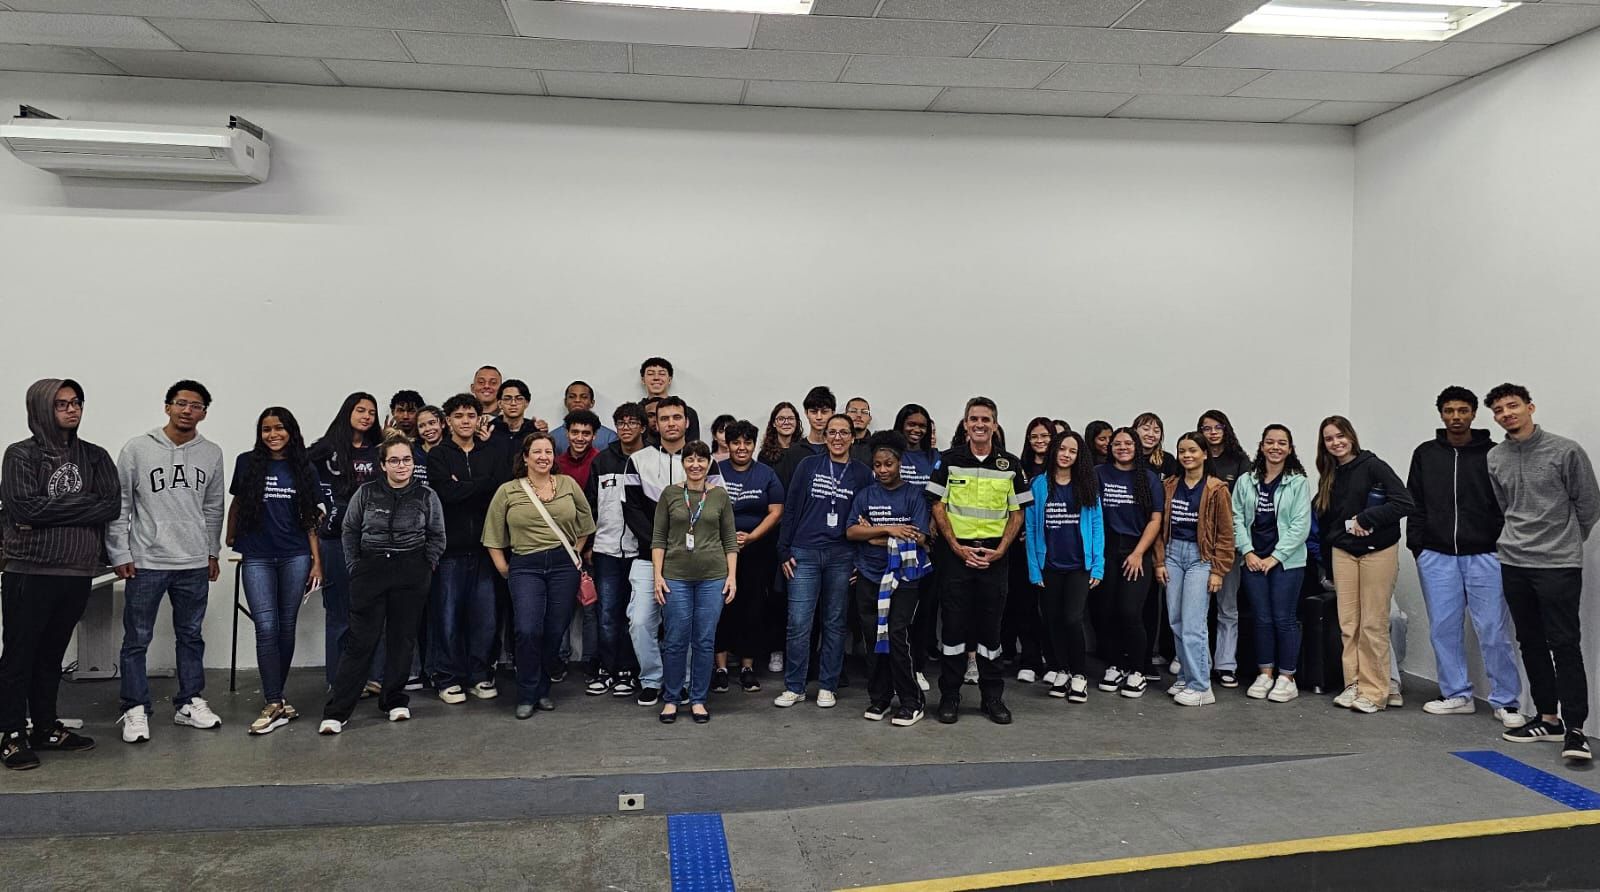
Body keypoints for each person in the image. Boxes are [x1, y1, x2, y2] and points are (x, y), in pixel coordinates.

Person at [0, 379, 120, 770]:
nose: (72, 409)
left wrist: (49, 511)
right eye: (61, 404)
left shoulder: (95, 456)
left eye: (76, 402)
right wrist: (84, 504)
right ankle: (11, 733)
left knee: (51, 654)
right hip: (30, 570)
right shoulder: (20, 455)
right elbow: (23, 509)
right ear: (41, 408)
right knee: (20, 655)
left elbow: (110, 506)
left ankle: (45, 727)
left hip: (77, 571)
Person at [1486, 384, 1600, 761]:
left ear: (1530, 407)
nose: (1507, 413)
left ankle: (1576, 729)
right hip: (1514, 561)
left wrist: (1566, 540)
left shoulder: (1565, 451)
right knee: (1530, 641)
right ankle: (1548, 719)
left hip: (1557, 563)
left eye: (1513, 405)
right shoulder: (1495, 457)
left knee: (1564, 643)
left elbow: (1589, 503)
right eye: (1499, 410)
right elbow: (1505, 505)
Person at [109, 380, 226, 744]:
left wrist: (211, 552)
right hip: (147, 561)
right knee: (137, 639)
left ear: (204, 413)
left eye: (196, 405)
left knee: (191, 636)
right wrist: (120, 552)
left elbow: (214, 507)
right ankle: (135, 708)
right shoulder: (137, 449)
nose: (187, 410)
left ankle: (189, 702)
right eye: (180, 403)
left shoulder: (211, 453)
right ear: (167, 407)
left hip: (193, 562)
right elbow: (120, 504)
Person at [1405, 387, 1523, 727]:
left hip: (1486, 555)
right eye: (1449, 411)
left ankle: (1506, 701)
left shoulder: (1495, 453)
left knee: (1493, 630)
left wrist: (1500, 543)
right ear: (1441, 414)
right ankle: (1456, 694)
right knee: (1444, 629)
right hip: (1437, 555)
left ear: (1473, 413)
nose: (1456, 417)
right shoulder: (1425, 453)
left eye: (1462, 410)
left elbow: (1507, 502)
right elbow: (1415, 501)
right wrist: (1419, 546)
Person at [319, 434, 445, 734]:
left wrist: (425, 565)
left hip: (411, 571)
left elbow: (437, 535)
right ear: (383, 465)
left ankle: (394, 701)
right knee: (360, 642)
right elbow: (349, 530)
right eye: (395, 460)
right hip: (371, 571)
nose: (402, 466)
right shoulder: (365, 493)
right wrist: (355, 566)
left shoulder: (426, 496)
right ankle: (337, 711)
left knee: (402, 640)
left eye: (407, 460)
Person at [926, 397, 1031, 724]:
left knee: (990, 632)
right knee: (954, 630)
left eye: (986, 419)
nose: (979, 424)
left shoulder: (1010, 464)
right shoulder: (948, 461)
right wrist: (957, 547)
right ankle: (950, 696)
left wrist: (1001, 550)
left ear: (995, 425)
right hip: (956, 557)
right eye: (974, 419)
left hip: (995, 558)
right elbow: (937, 506)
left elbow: (1018, 512)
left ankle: (992, 697)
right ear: (966, 424)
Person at [484, 432, 596, 719]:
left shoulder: (568, 484)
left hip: (563, 566)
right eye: (537, 451)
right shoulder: (508, 490)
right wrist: (504, 568)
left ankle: (542, 689)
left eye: (548, 452)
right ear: (525, 457)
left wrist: (575, 552)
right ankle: (526, 693)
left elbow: (586, 523)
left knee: (555, 630)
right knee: (527, 629)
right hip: (525, 565)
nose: (543, 457)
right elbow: (493, 535)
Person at [226, 407, 323, 736]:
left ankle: (277, 700)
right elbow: (238, 503)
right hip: (257, 555)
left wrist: (316, 561)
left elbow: (310, 517)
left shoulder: (304, 466)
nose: (273, 434)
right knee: (266, 627)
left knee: (285, 626)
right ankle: (273, 700)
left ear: (291, 431)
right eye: (266, 429)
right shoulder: (246, 462)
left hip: (295, 555)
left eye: (279, 428)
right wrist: (230, 534)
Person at [1315, 416, 1416, 714]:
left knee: (1373, 624)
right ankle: (1354, 684)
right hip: (1343, 554)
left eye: (1340, 436)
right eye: (1329, 438)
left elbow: (1404, 503)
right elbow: (1327, 522)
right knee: (1349, 625)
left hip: (1377, 552)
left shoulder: (1373, 466)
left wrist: (1366, 518)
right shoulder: (1329, 475)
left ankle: (1375, 691)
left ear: (1351, 436)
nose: (1336, 442)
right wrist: (1333, 553)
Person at [624, 397, 720, 706]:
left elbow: (716, 509)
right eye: (664, 418)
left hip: (692, 561)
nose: (671, 423)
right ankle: (652, 679)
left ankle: (686, 682)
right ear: (656, 423)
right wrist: (660, 546)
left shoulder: (706, 460)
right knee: (640, 621)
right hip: (646, 557)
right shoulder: (637, 460)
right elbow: (632, 511)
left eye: (676, 417)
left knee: (686, 625)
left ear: (686, 422)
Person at [775, 413, 872, 710]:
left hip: (842, 555)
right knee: (798, 623)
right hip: (803, 552)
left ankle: (828, 685)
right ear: (825, 436)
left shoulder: (862, 473)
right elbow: (791, 507)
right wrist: (783, 550)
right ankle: (795, 686)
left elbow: (866, 520)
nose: (838, 438)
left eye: (844, 432)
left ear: (852, 438)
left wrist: (860, 559)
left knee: (835, 623)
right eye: (832, 432)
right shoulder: (808, 465)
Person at [426, 393, 510, 705]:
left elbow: (499, 491)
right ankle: (448, 678)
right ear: (447, 421)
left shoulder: (492, 453)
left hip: (487, 549)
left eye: (471, 416)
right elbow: (446, 494)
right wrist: (480, 485)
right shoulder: (438, 455)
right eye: (458, 416)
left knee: (485, 618)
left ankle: (479, 675)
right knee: (448, 617)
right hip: (450, 550)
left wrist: (463, 486)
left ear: (479, 420)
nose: (465, 421)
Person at [847, 432, 933, 726]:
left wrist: (873, 536)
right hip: (869, 575)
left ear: (899, 463)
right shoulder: (865, 495)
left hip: (904, 577)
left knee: (897, 634)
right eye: (877, 465)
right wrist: (891, 530)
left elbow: (919, 538)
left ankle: (911, 701)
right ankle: (880, 697)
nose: (882, 470)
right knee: (873, 638)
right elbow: (852, 531)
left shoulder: (914, 495)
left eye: (888, 464)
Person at [652, 440, 739, 724]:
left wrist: (732, 576)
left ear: (708, 463)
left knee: (704, 640)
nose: (695, 464)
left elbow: (730, 539)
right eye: (689, 459)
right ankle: (672, 698)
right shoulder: (670, 494)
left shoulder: (719, 496)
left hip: (713, 578)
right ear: (683, 463)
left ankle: (699, 699)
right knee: (675, 639)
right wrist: (657, 576)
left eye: (701, 459)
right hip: (675, 577)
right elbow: (658, 539)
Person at [1154, 431, 1236, 707]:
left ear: (1204, 454)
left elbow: (1226, 534)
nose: (1187, 455)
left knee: (1193, 623)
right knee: (1176, 621)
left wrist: (1218, 570)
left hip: (1201, 559)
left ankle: (1201, 686)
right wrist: (1159, 561)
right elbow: (1159, 527)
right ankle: (1185, 677)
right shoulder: (1169, 485)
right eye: (1182, 451)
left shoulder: (1216, 489)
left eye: (1192, 450)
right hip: (1173, 555)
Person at [1233, 424, 1313, 704]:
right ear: (1262, 446)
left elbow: (1301, 525)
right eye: (1270, 442)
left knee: (1284, 618)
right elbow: (1236, 518)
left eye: (1282, 443)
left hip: (1287, 562)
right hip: (1253, 560)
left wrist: (1275, 557)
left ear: (1290, 449)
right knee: (1262, 618)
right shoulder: (1246, 481)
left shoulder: (1298, 482)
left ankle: (1287, 678)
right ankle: (1265, 673)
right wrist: (1247, 552)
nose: (1275, 447)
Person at [1023, 431, 1104, 703]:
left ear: (1079, 456)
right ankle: (1061, 670)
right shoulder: (1039, 484)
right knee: (1053, 620)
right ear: (1054, 450)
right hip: (1049, 565)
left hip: (1080, 565)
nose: (1066, 455)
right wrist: (1034, 569)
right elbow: (1031, 528)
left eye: (1073, 451)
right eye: (1062, 449)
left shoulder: (1087, 484)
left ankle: (1079, 674)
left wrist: (1098, 566)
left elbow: (1097, 525)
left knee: (1072, 619)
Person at [308, 392, 380, 688]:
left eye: (371, 412)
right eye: (361, 410)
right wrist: (315, 512)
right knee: (339, 613)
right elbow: (301, 475)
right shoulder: (325, 449)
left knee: (372, 612)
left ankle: (372, 676)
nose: (366, 416)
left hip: (373, 541)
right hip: (335, 541)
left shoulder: (378, 450)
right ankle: (339, 680)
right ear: (347, 412)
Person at [713, 421, 784, 693]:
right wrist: (726, 537)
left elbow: (776, 511)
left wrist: (752, 536)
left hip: (756, 551)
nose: (742, 448)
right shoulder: (715, 471)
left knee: (752, 609)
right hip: (719, 550)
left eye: (747, 442)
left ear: (754, 445)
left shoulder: (766, 473)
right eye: (736, 442)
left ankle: (747, 667)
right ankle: (720, 669)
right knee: (721, 608)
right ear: (728, 444)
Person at [1092, 428, 1164, 699]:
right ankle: (1115, 666)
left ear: (1136, 446)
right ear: (1110, 448)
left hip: (1136, 551)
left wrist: (1137, 553)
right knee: (1106, 612)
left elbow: (1155, 519)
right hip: (1106, 550)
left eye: (1128, 443)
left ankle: (1137, 670)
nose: (1122, 447)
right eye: (1117, 444)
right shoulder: (1099, 474)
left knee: (1130, 612)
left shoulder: (1149, 478)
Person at [583, 403, 648, 698]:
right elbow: (591, 505)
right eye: (621, 423)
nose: (626, 428)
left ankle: (628, 670)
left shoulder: (652, 460)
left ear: (643, 427)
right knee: (607, 613)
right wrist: (588, 544)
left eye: (632, 422)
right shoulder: (602, 460)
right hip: (606, 550)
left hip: (641, 551)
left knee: (636, 615)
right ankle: (606, 669)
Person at [1197, 409, 1250, 688]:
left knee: (1227, 608)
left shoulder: (1239, 461)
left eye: (1218, 427)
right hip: (1198, 544)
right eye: (1206, 428)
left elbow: (1243, 505)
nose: (1213, 432)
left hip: (1228, 544)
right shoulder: (1196, 457)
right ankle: (1200, 662)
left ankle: (1226, 664)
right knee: (1198, 609)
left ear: (1226, 429)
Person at [1003, 417, 1057, 683]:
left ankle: (1054, 660)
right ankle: (1030, 659)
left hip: (1053, 549)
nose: (1040, 441)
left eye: (1045, 436)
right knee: (1024, 605)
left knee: (1051, 607)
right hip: (1021, 549)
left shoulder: (1061, 468)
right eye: (1034, 436)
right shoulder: (1019, 467)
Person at [776, 386, 835, 487]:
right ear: (806, 413)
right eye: (814, 412)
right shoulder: (794, 451)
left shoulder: (839, 450)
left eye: (824, 412)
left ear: (833, 413)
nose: (819, 417)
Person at [639, 357, 701, 441]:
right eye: (650, 374)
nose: (656, 378)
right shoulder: (636, 412)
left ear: (670, 379)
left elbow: (694, 445)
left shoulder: (686, 412)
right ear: (643, 380)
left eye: (662, 374)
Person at [550, 380, 618, 454]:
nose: (577, 400)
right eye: (572, 397)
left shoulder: (609, 437)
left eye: (584, 397)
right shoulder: (552, 437)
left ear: (592, 403)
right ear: (565, 402)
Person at [555, 409, 602, 491]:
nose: (580, 438)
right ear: (567, 433)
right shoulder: (556, 464)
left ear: (594, 435)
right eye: (575, 432)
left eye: (586, 434)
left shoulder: (602, 462)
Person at [490, 379, 539, 450]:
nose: (513, 403)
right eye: (507, 399)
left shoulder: (535, 431)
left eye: (519, 399)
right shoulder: (489, 430)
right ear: (499, 403)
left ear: (526, 403)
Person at [758, 402, 800, 468]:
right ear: (773, 423)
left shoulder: (805, 451)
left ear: (796, 422)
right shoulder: (764, 455)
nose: (786, 422)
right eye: (781, 419)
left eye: (791, 418)